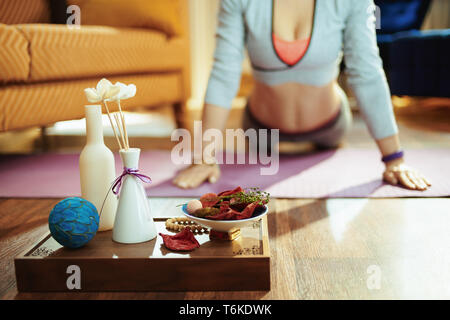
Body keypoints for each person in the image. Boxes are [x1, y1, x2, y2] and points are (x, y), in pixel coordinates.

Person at [173, 0, 431, 190]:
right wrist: (204, 158)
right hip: (261, 129)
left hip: (330, 126)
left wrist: (394, 158)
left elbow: (367, 72)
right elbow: (224, 73)